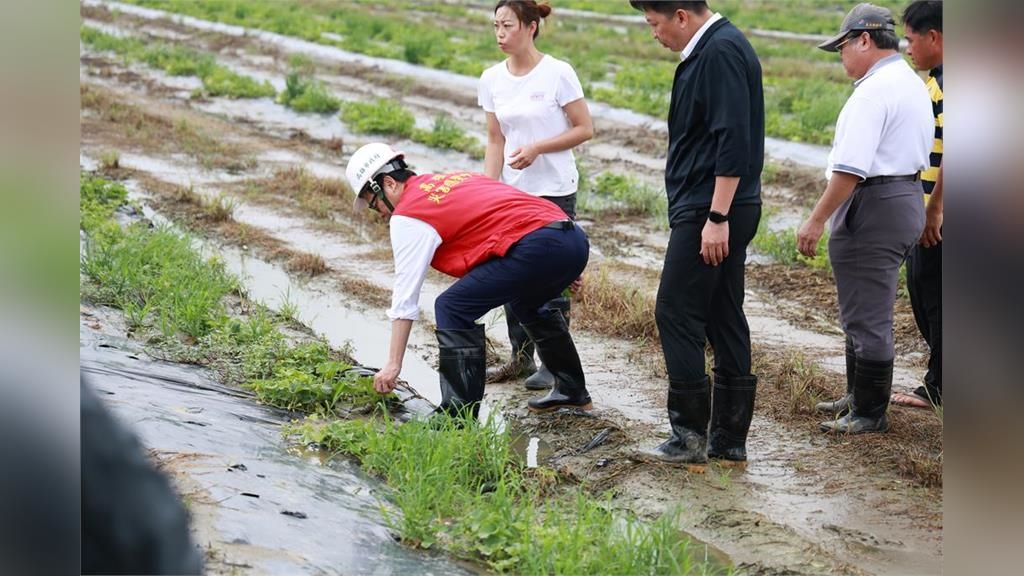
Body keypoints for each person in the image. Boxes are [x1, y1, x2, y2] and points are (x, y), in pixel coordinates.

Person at [344, 142, 593, 418]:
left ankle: (458, 418)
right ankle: (572, 391)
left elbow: (405, 295)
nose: (379, 212)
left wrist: (392, 364)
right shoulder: (454, 179)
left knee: (451, 306)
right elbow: (514, 206)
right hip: (570, 237)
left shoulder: (408, 215)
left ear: (388, 184)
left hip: (543, 244)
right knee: (527, 303)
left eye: (373, 203)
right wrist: (564, 256)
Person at [629, 1, 764, 464]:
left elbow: (734, 138)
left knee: (675, 310)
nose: (654, 34)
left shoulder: (719, 51)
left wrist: (716, 218)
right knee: (723, 311)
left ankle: (688, 436)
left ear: (682, 16)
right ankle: (728, 439)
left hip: (712, 208)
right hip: (720, 205)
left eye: (655, 23)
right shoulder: (715, 48)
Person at [799, 3, 933, 434]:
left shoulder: (873, 91)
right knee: (863, 304)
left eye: (842, 48)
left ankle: (870, 411)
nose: (841, 58)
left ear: (863, 39)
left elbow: (849, 170)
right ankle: (859, 395)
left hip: (875, 204)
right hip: (905, 195)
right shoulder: (910, 81)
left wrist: (816, 220)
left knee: (868, 312)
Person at [478, 0, 594, 391]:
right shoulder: (491, 78)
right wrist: (489, 190)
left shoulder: (558, 73)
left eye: (507, 26)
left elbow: (584, 128)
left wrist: (539, 148)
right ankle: (520, 358)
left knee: (552, 278)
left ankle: (553, 363)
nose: (499, 34)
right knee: (514, 274)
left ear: (531, 27)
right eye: (495, 26)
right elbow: (496, 139)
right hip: (512, 195)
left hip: (554, 191)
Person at [891, 0, 943, 410]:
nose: (907, 48)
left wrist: (935, 208)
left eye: (910, 39)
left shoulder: (947, 85)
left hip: (940, 215)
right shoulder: (935, 81)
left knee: (934, 296)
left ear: (934, 37)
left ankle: (940, 387)